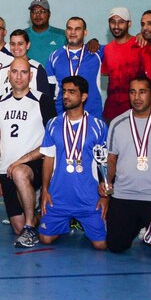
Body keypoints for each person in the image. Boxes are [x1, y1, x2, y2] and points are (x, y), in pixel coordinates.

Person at [101, 75, 151, 255]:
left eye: (142, 92)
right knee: (116, 246)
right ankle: (138, 226)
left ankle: (147, 227)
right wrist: (106, 185)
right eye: (133, 92)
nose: (137, 97)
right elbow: (111, 159)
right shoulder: (117, 123)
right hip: (124, 196)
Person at [0, 57, 54, 248]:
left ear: (30, 75)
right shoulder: (0, 101)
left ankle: (30, 229)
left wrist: (23, 160)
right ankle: (39, 217)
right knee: (16, 227)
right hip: (6, 169)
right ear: (8, 75)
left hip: (35, 163)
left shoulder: (42, 100)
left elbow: (52, 140)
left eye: (24, 72)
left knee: (19, 172)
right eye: (15, 72)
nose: (19, 76)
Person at [38, 76, 109, 249]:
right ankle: (67, 222)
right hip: (59, 197)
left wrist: (105, 196)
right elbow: (48, 159)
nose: (66, 96)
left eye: (71, 92)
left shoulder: (98, 126)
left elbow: (103, 163)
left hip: (88, 198)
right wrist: (45, 191)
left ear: (83, 96)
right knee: (45, 239)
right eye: (64, 92)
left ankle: (81, 220)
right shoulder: (53, 124)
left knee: (101, 244)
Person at [46, 17, 104, 120]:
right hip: (62, 116)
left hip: (92, 115)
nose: (73, 32)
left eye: (77, 29)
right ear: (65, 31)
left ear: (85, 32)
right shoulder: (54, 56)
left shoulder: (97, 52)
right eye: (69, 28)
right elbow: (50, 92)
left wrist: (142, 36)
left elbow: (120, 45)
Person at [0, 29, 52, 103]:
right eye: (13, 44)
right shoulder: (3, 70)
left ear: (28, 45)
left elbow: (45, 99)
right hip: (8, 113)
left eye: (20, 44)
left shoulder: (37, 68)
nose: (16, 47)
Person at [24, 0, 66, 66]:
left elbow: (78, 48)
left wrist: (89, 43)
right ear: (30, 14)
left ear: (49, 14)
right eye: (34, 11)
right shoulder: (22, 35)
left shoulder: (62, 35)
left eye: (42, 11)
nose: (37, 15)